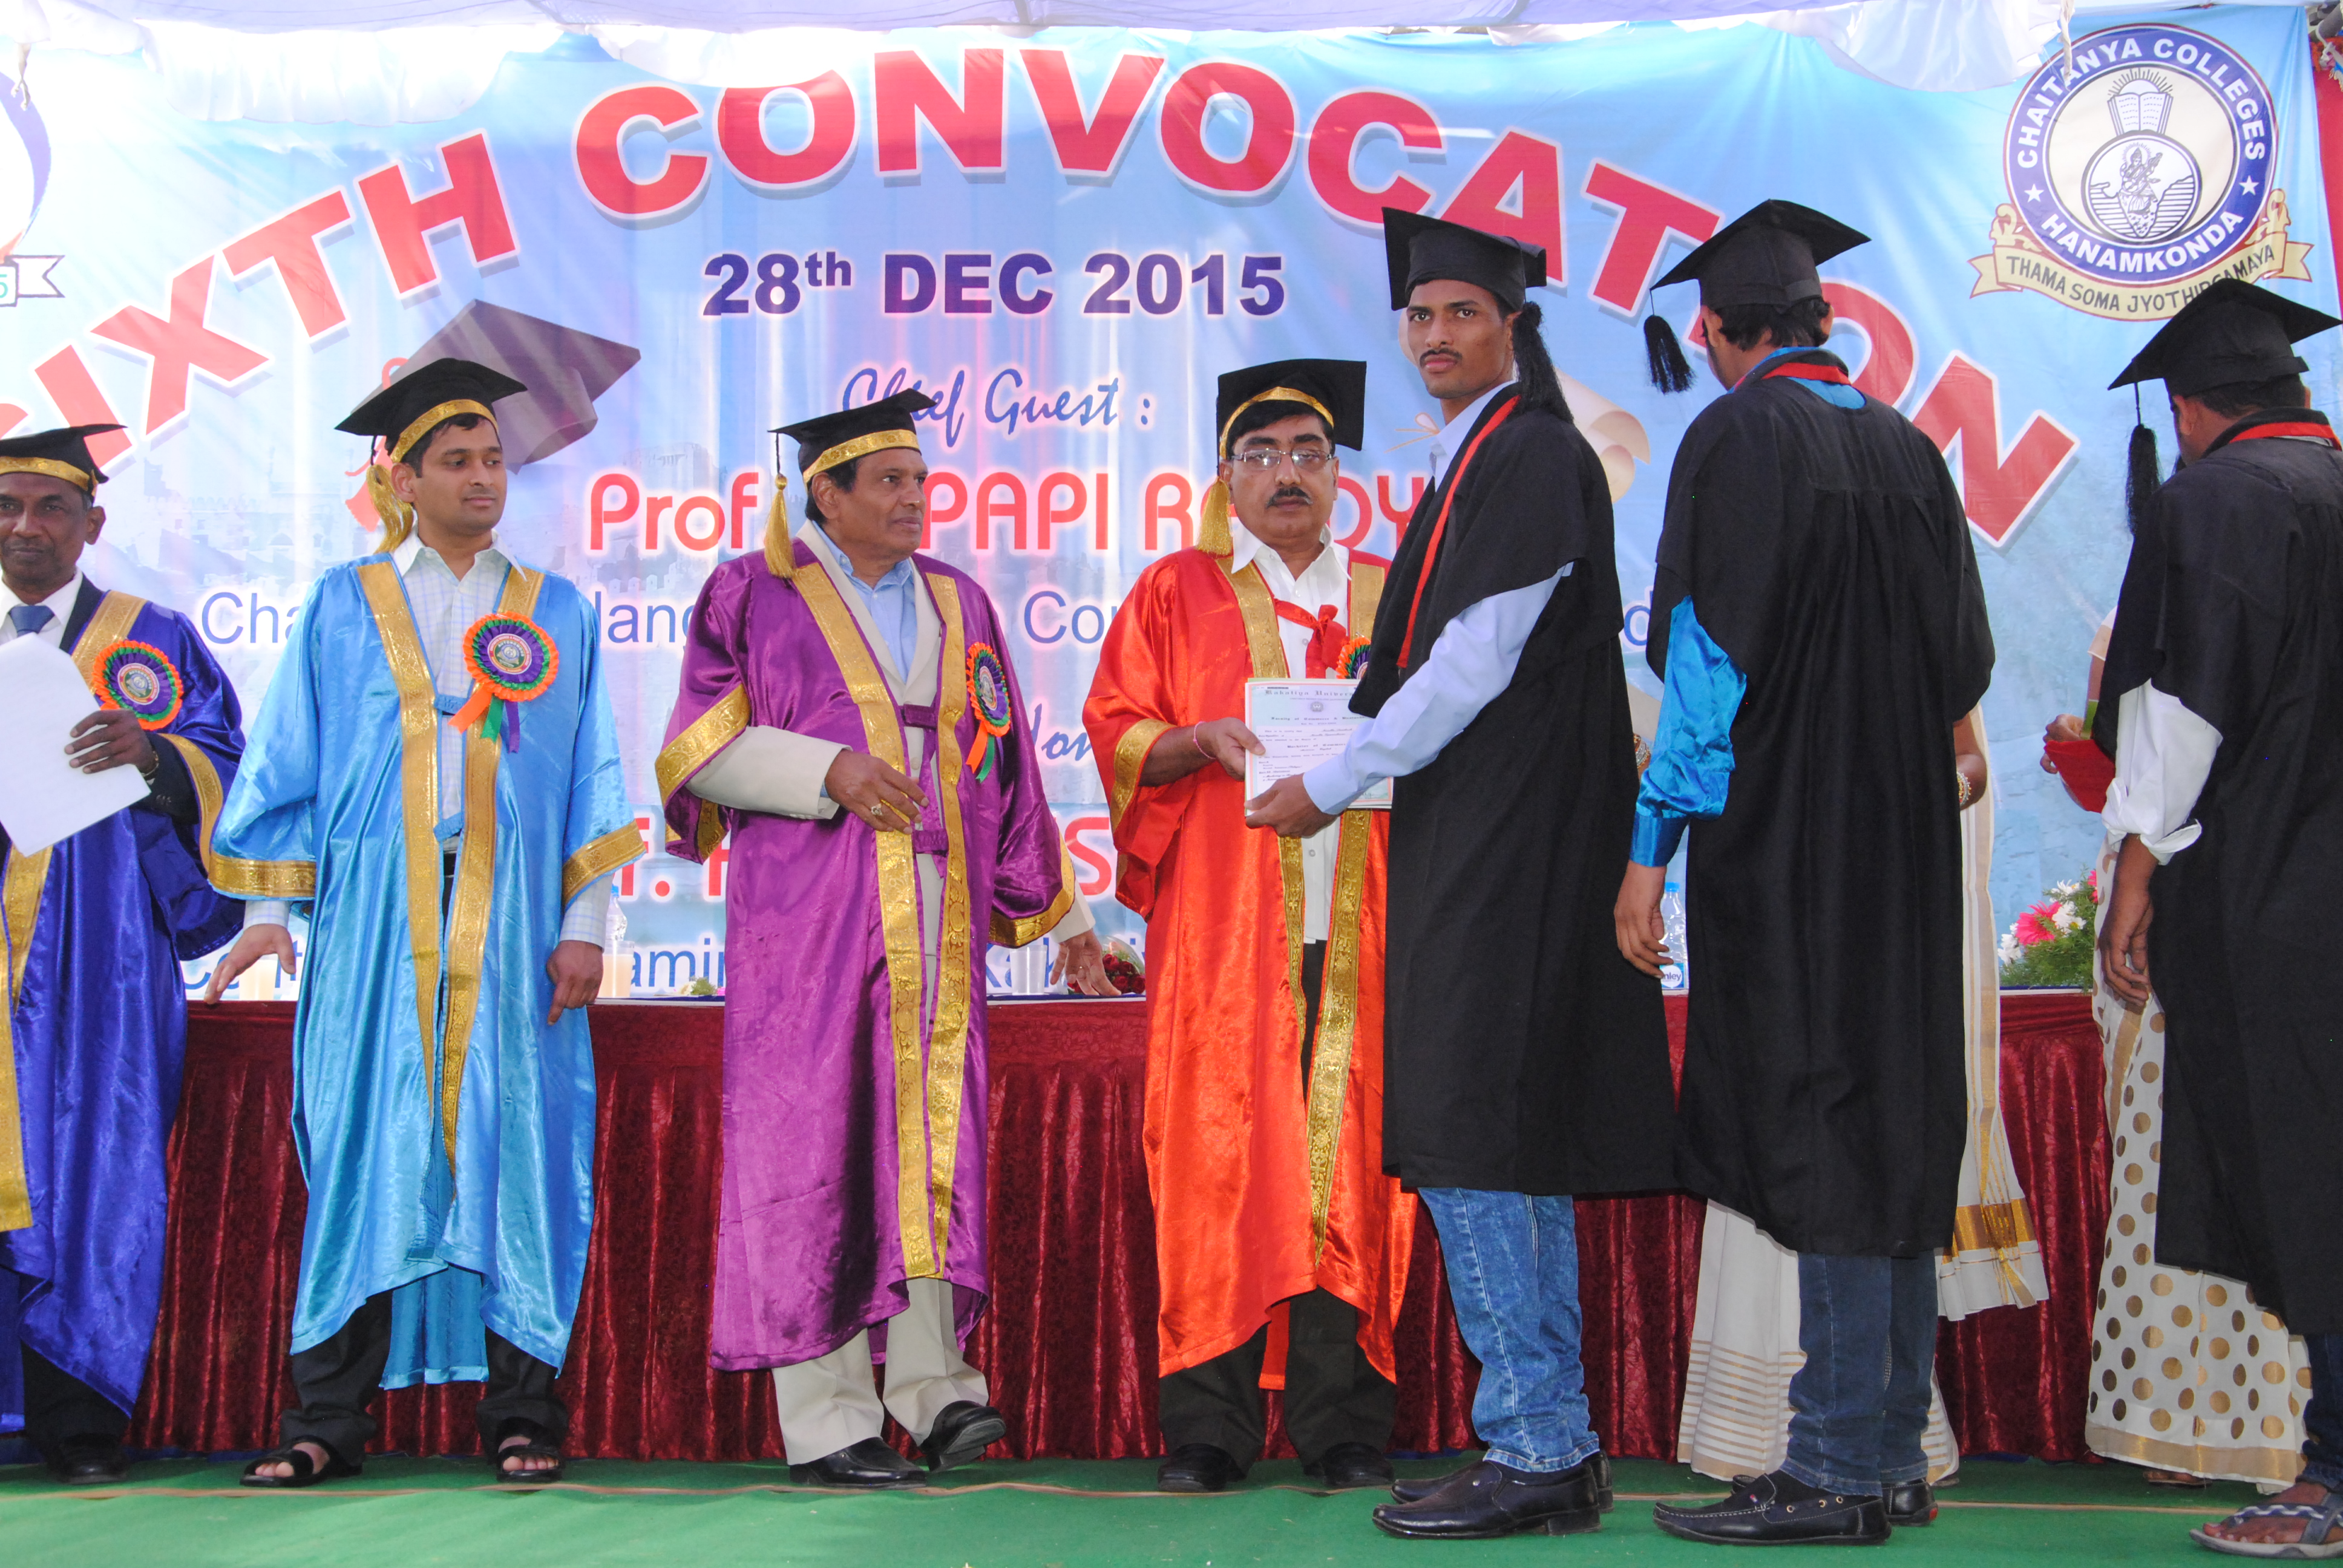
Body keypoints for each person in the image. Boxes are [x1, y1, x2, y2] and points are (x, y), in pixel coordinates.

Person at [1249, 211, 1676, 1541]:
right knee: (1508, 1139)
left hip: (1509, 841)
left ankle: (1536, 1442)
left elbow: (1476, 661)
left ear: (1513, 326)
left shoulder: (1532, 453)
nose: (1435, 335)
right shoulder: (1479, 453)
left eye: (1462, 315)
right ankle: (1556, 1443)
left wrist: (1331, 778)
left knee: (1472, 1135)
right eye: (1421, 316)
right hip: (1495, 832)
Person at [1614, 200, 1992, 1547]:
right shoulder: (1908, 448)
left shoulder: (1736, 436)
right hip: (1904, 849)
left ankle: (1831, 1467)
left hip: (1789, 849)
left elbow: (1705, 664)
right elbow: (1964, 665)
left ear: (1717, 332)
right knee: (1890, 1133)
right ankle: (1884, 1457)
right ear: (1822, 322)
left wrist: (1650, 852)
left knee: (1826, 1133)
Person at [656, 391, 1110, 1488]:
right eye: (892, 482)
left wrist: (1065, 915)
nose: (915, 500)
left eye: (920, 480)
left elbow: (1005, 758)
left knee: (932, 1143)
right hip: (809, 923)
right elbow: (695, 748)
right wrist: (828, 770)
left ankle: (936, 1393)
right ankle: (828, 1422)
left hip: (939, 916)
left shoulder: (960, 599)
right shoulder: (752, 592)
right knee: (813, 1150)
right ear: (827, 493)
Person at [203, 358, 641, 1488]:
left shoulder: (555, 609)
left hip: (514, 923)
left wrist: (586, 922)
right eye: (456, 461)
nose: (483, 478)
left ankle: (524, 1416)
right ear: (399, 478)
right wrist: (268, 910)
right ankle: (324, 1420)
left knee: (515, 1150)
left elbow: (591, 773)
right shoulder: (341, 603)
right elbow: (289, 762)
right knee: (366, 1145)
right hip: (372, 925)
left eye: (494, 459)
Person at [1083, 359, 1412, 1495]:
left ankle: (1344, 1424)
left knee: (1351, 1166)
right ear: (1225, 476)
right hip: (1228, 932)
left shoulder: (1390, 593)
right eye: (1261, 454)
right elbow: (1118, 727)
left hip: (1368, 924)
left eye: (1309, 454)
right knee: (1217, 1155)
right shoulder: (1177, 591)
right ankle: (1208, 1427)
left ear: (1340, 474)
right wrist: (1200, 740)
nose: (1287, 475)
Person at [2092, 279, 2343, 1555]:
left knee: (2310, 1174)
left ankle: (2333, 1477)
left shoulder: (2217, 501)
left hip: (2279, 900)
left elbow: (2182, 710)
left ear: (2188, 411)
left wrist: (2135, 869)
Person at [1673, 712, 2037, 1492]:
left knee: (1849, 1157)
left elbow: (1968, 757)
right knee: (1870, 1158)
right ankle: (1883, 1458)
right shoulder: (1907, 631)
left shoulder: (1832, 643)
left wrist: (1920, 795)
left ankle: (1844, 1462)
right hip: (1836, 887)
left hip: (1858, 900)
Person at [0, 425, 245, 1483]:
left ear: (92, 524)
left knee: (97, 1168)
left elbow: (231, 768)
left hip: (99, 965)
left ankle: (79, 1422)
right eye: (7, 506)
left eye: (52, 508)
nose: (26, 527)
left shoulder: (152, 639)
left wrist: (157, 756)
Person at [2043, 617, 2310, 1492]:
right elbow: (2129, 756)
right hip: (2229, 879)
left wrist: (2139, 864)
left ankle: (2229, 1427)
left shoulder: (2202, 601)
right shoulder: (2141, 622)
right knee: (2184, 1153)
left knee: (2209, 1153)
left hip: (2203, 880)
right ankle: (2220, 1425)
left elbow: (2166, 765)